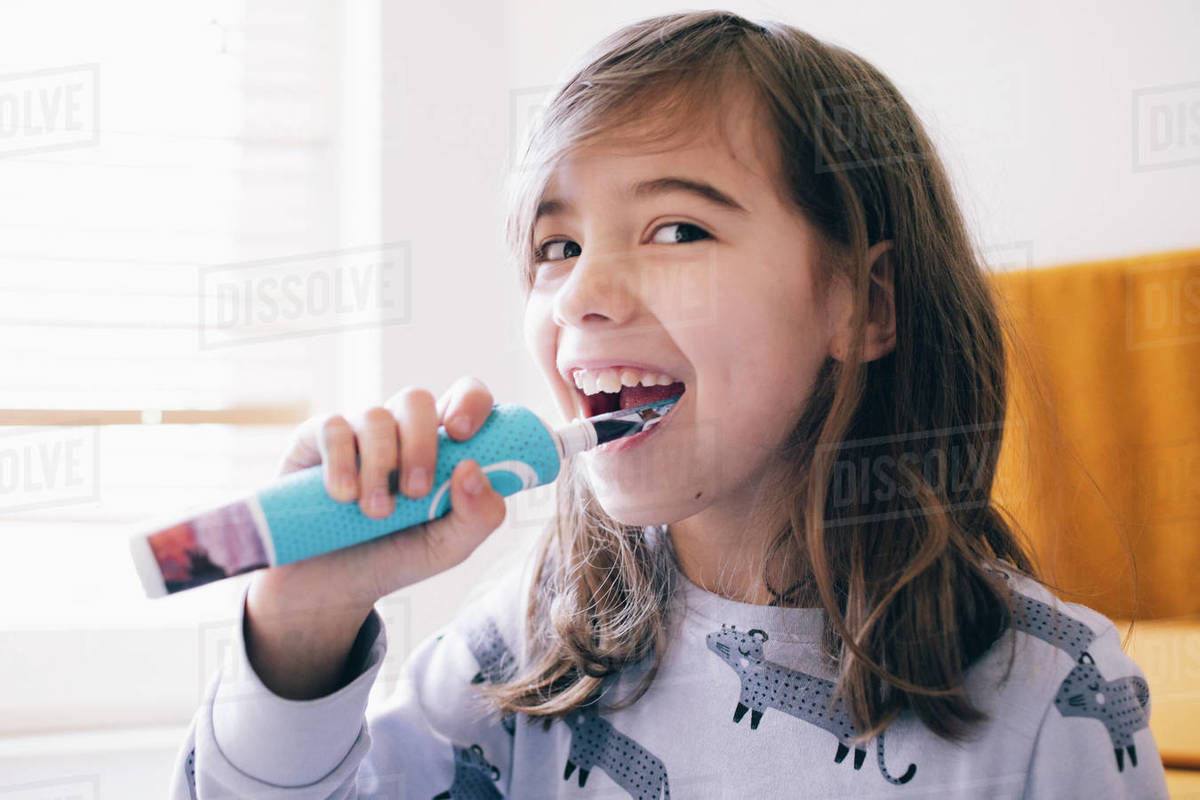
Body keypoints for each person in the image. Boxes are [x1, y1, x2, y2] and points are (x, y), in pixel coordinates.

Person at [170, 11, 1169, 798]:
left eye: (677, 227)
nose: (580, 293)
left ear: (862, 304)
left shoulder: (1054, 695)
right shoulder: (530, 642)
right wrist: (299, 627)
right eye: (556, 246)